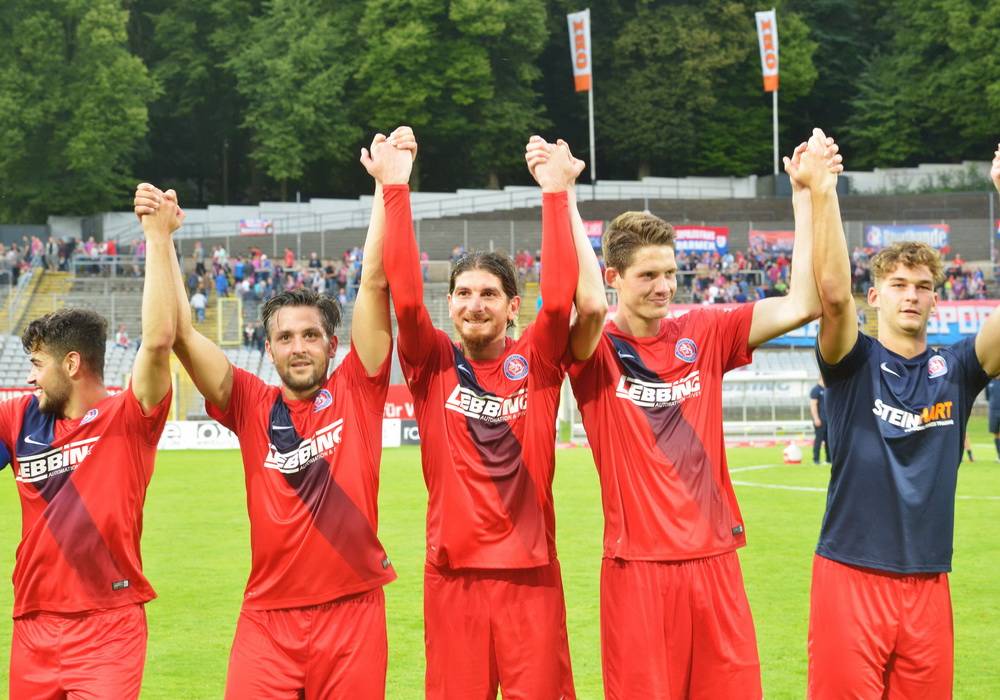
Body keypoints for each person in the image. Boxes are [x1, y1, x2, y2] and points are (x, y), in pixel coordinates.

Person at [132, 130, 408, 699]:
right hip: (267, 621)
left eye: (311, 334)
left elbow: (375, 281)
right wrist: (161, 240)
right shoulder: (253, 404)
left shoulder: (358, 388)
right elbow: (179, 337)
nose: (299, 345)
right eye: (285, 337)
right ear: (269, 349)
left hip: (353, 614)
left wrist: (387, 187)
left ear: (333, 345)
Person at [563, 135, 836, 699]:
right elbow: (586, 303)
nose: (665, 286)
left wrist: (804, 197)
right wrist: (563, 194)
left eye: (670, 273)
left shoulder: (703, 331)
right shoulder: (591, 351)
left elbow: (803, 304)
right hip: (636, 570)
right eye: (647, 276)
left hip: (716, 560)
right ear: (613, 276)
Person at [383, 130, 600, 699]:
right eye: (462, 292)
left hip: (530, 578)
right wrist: (396, 188)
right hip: (452, 579)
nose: (473, 304)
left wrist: (555, 192)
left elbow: (561, 301)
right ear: (448, 303)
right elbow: (403, 300)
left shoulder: (539, 359)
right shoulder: (431, 363)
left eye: (487, 293)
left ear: (511, 306)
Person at [804, 131, 1000, 698]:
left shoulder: (959, 367)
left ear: (938, 298)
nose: (911, 295)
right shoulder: (851, 360)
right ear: (877, 297)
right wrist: (825, 192)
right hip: (851, 576)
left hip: (929, 582)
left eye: (923, 286)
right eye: (897, 285)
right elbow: (833, 296)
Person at [0, 197, 177, 698]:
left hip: (108, 627)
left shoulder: (130, 416)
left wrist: (158, 237)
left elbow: (159, 341)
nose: (31, 377)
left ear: (73, 364)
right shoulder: (18, 417)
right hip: (32, 624)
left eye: (39, 364)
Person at [809, 377, 829, 464]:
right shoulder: (816, 390)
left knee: (829, 441)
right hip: (820, 420)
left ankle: (829, 459)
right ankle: (816, 459)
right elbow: (813, 405)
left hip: (828, 420)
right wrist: (816, 418)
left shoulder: (828, 389)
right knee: (819, 440)